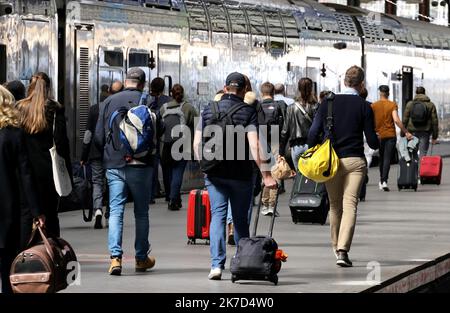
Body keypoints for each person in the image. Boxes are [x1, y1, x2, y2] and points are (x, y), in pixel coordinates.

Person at [193, 72, 277, 280]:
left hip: (214, 173)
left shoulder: (207, 109)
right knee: (240, 220)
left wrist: (204, 165)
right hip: (240, 174)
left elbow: (196, 143)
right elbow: (254, 145)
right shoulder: (247, 111)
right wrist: (266, 175)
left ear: (225, 87)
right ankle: (242, 262)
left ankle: (216, 266)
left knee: (218, 216)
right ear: (243, 90)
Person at [307, 66, 379, 267]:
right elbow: (372, 142)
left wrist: (315, 151)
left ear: (344, 81)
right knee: (350, 204)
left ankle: (335, 247)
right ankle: (343, 250)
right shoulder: (364, 106)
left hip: (331, 162)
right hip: (355, 162)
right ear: (361, 84)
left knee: (335, 205)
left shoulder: (327, 103)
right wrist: (378, 139)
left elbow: (313, 134)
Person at [95, 68, 162, 275]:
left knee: (116, 211)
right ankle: (141, 258)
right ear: (142, 83)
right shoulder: (149, 100)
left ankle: (115, 259)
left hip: (115, 164)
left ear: (125, 81)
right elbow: (160, 131)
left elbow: (98, 136)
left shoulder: (109, 102)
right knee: (141, 213)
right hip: (142, 164)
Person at [0, 86, 45, 294]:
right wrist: (37, 212)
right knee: (8, 264)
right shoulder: (14, 135)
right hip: (7, 211)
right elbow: (26, 175)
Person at [16, 72, 72, 238]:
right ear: (48, 87)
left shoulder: (20, 107)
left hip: (24, 170)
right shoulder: (55, 109)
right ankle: (52, 252)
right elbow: (62, 143)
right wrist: (67, 171)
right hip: (49, 172)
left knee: (27, 214)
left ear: (30, 86)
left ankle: (24, 254)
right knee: (51, 214)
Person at [81, 81, 124, 229]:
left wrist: (83, 155)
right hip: (113, 152)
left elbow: (88, 134)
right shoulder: (117, 109)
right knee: (112, 183)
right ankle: (110, 212)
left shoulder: (93, 109)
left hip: (95, 152)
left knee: (97, 182)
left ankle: (97, 210)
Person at [160, 84, 198, 210]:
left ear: (171, 94)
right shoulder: (188, 108)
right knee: (177, 173)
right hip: (182, 144)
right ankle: (173, 199)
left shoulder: (163, 108)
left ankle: (174, 197)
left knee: (169, 172)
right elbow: (198, 124)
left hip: (166, 144)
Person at [371, 85, 412, 191]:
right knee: (387, 159)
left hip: (379, 136)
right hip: (390, 135)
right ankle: (384, 181)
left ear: (380, 93)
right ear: (388, 93)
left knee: (381, 158)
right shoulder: (392, 105)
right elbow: (396, 120)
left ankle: (381, 180)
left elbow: (370, 121)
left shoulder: (374, 106)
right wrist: (406, 131)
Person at [258, 82, 286, 216]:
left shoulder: (257, 106)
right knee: (276, 170)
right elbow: (284, 125)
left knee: (264, 169)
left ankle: (264, 203)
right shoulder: (278, 106)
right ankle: (272, 205)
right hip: (275, 137)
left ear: (261, 92)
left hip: (261, 137)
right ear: (273, 93)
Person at [280, 77, 318, 173]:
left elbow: (285, 131)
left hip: (296, 146)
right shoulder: (316, 106)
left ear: (299, 89)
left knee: (299, 178)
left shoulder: (291, 108)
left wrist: (281, 151)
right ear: (311, 89)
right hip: (312, 146)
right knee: (313, 176)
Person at [149, 77, 172, 203]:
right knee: (166, 168)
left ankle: (151, 195)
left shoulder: (147, 100)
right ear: (164, 87)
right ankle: (169, 195)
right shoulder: (168, 101)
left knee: (152, 167)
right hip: (164, 138)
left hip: (150, 138)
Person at [403, 86, 439, 158]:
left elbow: (405, 119)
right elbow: (435, 121)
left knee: (413, 153)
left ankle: (413, 168)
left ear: (416, 93)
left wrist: (403, 132)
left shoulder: (410, 104)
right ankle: (421, 168)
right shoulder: (430, 105)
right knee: (423, 154)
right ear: (424, 93)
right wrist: (434, 136)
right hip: (425, 132)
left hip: (412, 132)